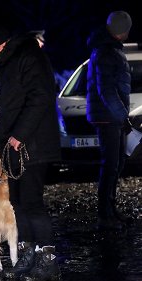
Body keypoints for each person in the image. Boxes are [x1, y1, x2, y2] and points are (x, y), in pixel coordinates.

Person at [0, 24, 61, 281]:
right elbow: (8, 112)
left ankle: (47, 260)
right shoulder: (7, 66)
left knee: (33, 203)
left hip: (34, 146)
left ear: (3, 43)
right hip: (15, 148)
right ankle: (27, 254)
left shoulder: (31, 57)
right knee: (18, 203)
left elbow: (41, 97)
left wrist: (20, 135)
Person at [86, 11, 132, 230]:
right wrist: (122, 116)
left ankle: (110, 209)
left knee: (117, 163)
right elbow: (107, 90)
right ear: (122, 31)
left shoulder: (109, 49)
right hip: (107, 117)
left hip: (110, 116)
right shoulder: (106, 52)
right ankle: (105, 215)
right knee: (111, 165)